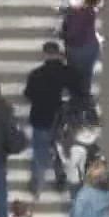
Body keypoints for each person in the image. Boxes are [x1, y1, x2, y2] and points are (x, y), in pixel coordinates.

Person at [24, 42, 82, 194]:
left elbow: (29, 95)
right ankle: (60, 180)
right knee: (61, 152)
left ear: (45, 54)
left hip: (41, 119)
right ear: (58, 53)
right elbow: (79, 94)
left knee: (40, 153)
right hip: (63, 121)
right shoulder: (69, 73)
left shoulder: (36, 74)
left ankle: (37, 185)